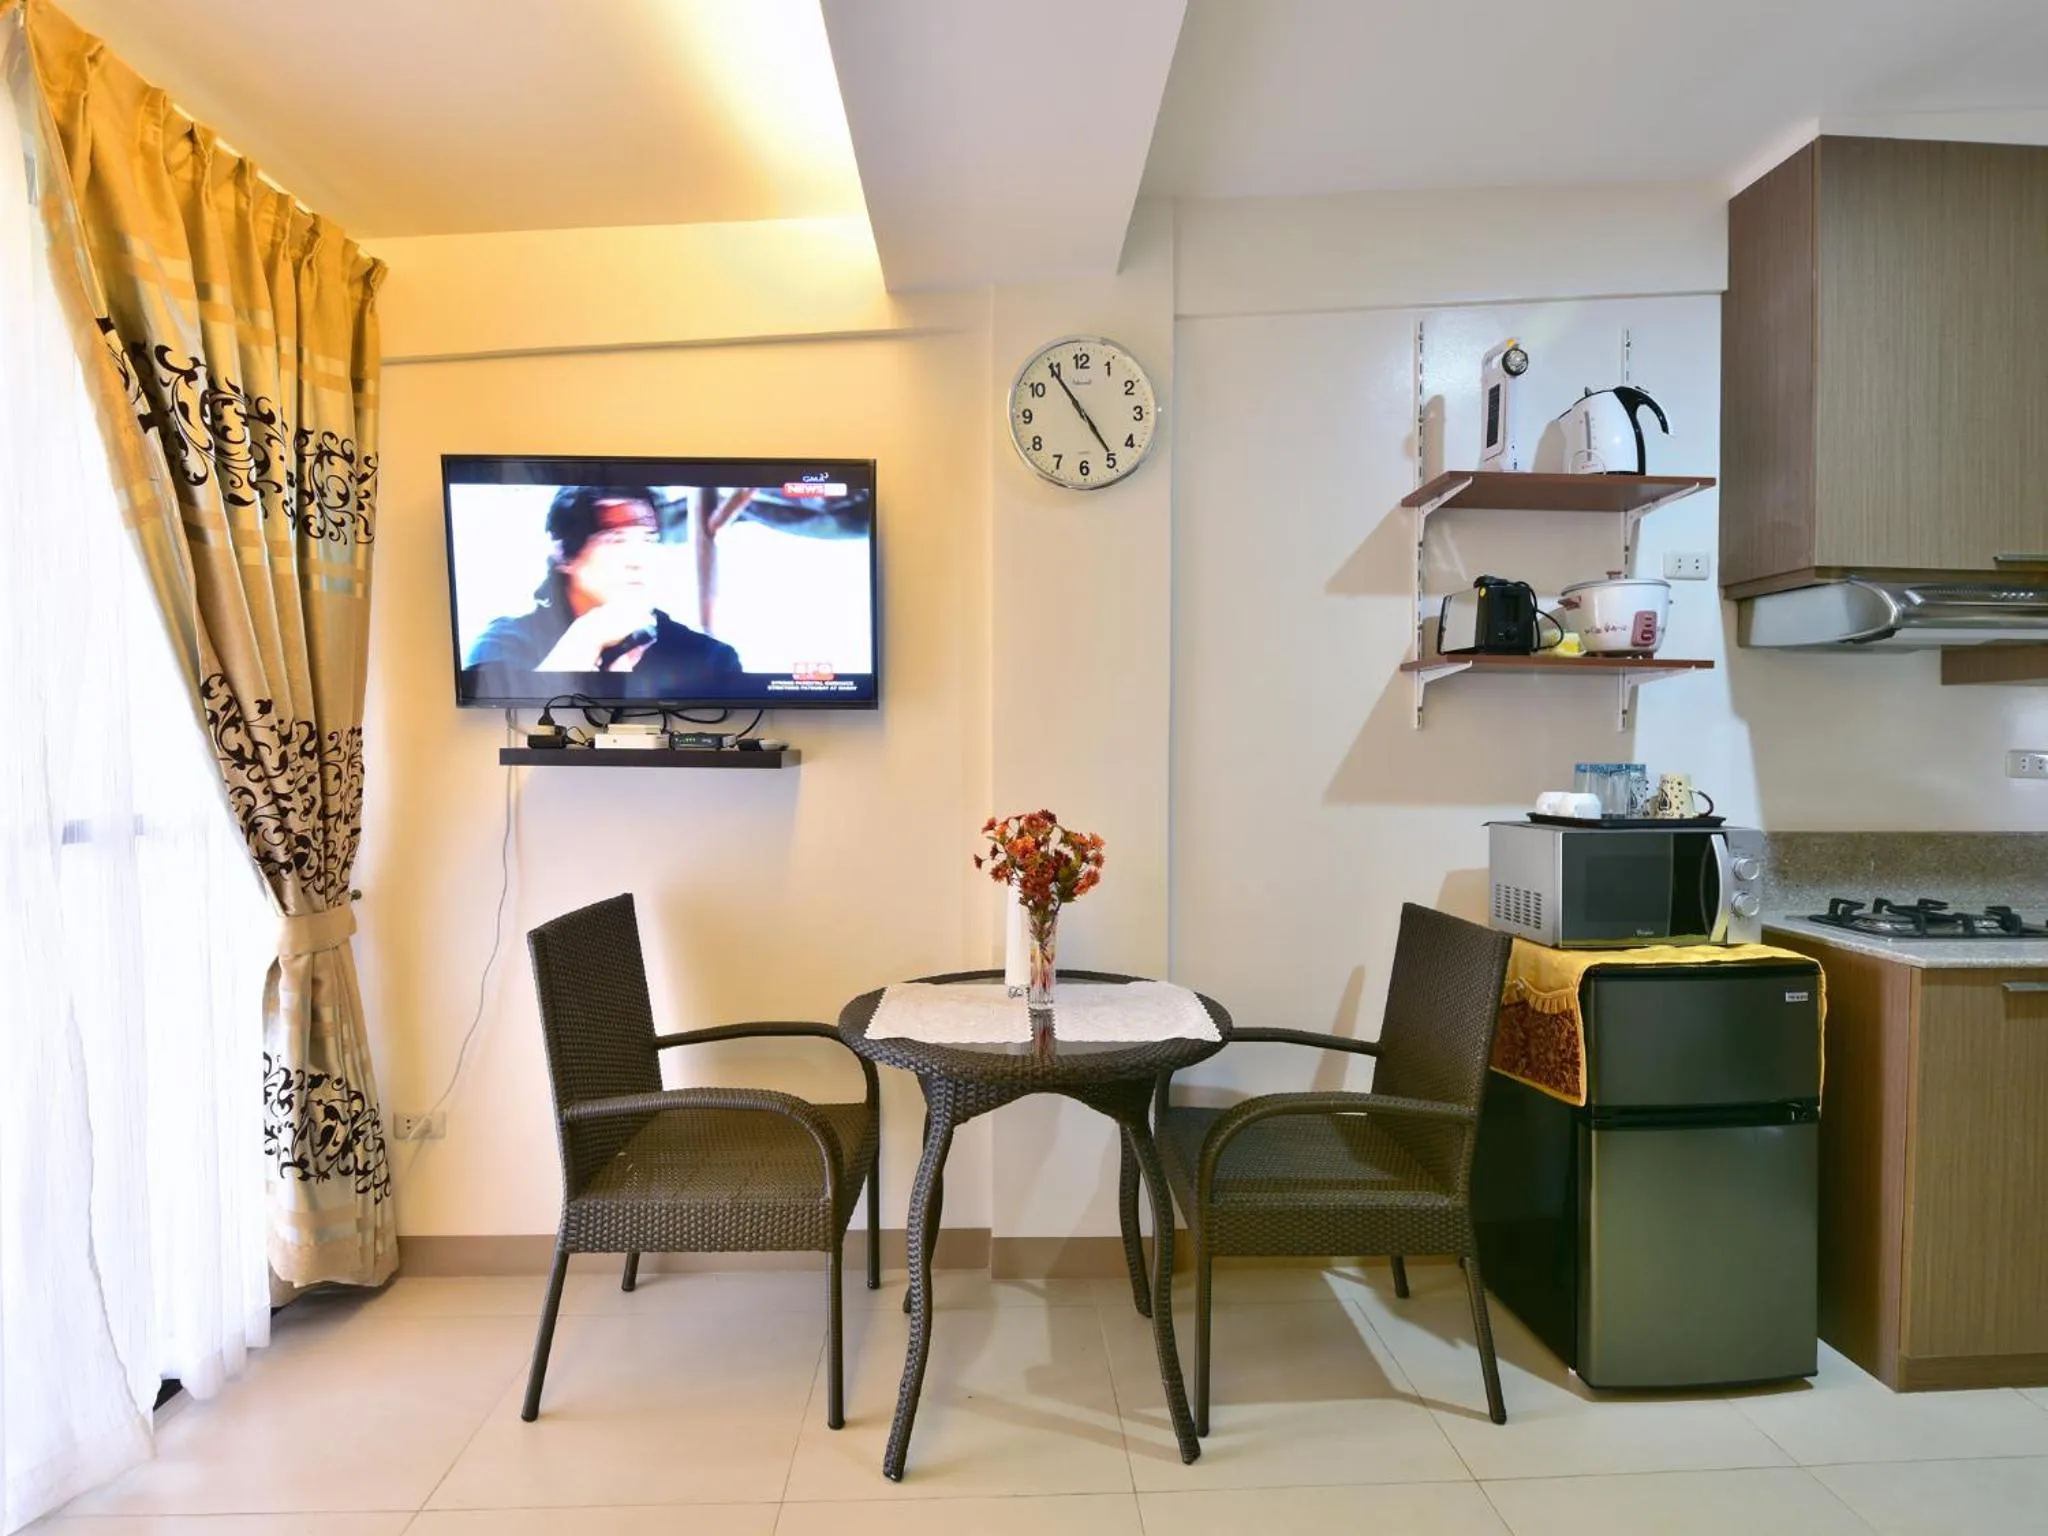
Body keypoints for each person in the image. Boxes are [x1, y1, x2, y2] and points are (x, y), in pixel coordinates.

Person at [463, 486, 743, 699]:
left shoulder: (706, 657)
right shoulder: (505, 642)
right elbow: (493, 708)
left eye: (648, 539)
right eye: (615, 539)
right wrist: (585, 640)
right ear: (563, 553)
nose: (638, 559)